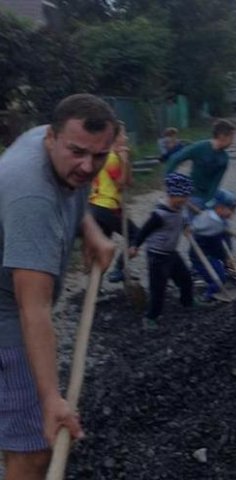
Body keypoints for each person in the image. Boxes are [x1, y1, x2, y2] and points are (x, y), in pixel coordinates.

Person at [0, 93, 117, 479]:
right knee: (34, 447)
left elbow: (73, 188)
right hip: (7, 314)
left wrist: (91, 231)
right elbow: (33, 309)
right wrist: (52, 400)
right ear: (51, 138)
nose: (87, 166)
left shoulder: (55, 142)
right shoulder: (31, 195)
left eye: (99, 156)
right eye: (78, 152)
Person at [129, 173, 195, 329]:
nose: (186, 200)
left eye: (187, 196)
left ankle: (188, 302)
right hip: (157, 256)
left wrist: (185, 226)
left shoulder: (179, 207)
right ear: (172, 194)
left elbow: (182, 218)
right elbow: (144, 231)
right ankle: (151, 317)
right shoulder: (159, 215)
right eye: (183, 196)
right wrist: (135, 245)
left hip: (171, 253)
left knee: (186, 279)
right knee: (158, 289)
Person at [89, 122, 140, 283]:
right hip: (107, 207)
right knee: (137, 235)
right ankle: (119, 269)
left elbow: (130, 182)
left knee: (104, 250)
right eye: (123, 135)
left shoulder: (111, 156)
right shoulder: (110, 158)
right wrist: (123, 162)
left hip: (97, 208)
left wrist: (126, 161)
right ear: (113, 138)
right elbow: (121, 183)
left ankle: (94, 288)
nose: (125, 138)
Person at [165, 119, 236, 212]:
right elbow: (175, 159)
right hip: (193, 193)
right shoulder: (200, 147)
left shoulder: (224, 158)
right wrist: (170, 182)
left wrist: (208, 202)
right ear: (222, 136)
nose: (233, 142)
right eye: (232, 138)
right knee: (196, 216)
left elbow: (215, 183)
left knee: (232, 200)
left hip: (209, 194)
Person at [190, 189, 236, 301]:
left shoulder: (222, 222)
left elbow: (226, 240)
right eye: (231, 210)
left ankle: (201, 275)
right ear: (220, 208)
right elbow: (216, 246)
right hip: (202, 256)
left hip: (213, 255)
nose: (233, 214)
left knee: (221, 272)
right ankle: (208, 296)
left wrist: (229, 257)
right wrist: (226, 258)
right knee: (219, 280)